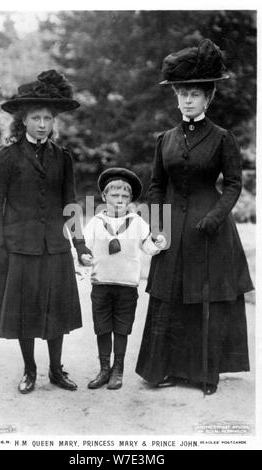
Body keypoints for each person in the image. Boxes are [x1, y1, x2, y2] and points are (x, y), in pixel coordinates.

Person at [135, 39, 254, 395]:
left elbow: (233, 184)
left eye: (195, 94)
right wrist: (158, 227)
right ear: (176, 98)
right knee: (170, 297)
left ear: (208, 98)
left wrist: (215, 217)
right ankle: (167, 369)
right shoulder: (165, 140)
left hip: (209, 230)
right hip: (173, 230)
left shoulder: (222, 138)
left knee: (203, 299)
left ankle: (204, 374)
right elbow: (156, 185)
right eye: (182, 94)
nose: (187, 100)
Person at [0, 70, 92, 394]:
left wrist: (80, 245)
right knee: (25, 313)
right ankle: (30, 370)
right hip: (19, 247)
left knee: (56, 310)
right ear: (23, 121)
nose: (42, 124)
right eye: (36, 118)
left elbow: (70, 202)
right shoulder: (7, 157)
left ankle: (56, 370)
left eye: (47, 118)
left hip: (54, 246)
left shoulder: (63, 158)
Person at [81, 168, 166, 390]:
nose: (119, 201)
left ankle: (117, 370)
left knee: (121, 328)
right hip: (101, 283)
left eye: (125, 197)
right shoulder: (96, 222)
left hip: (127, 285)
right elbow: (83, 248)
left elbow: (148, 247)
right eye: (114, 196)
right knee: (102, 327)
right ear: (104, 198)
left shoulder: (137, 222)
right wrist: (84, 258)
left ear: (131, 199)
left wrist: (158, 243)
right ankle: (103, 369)